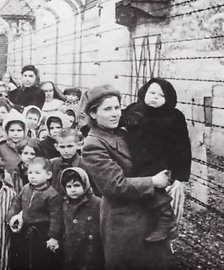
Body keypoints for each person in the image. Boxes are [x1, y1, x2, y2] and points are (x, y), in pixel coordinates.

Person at [81, 84, 173, 270]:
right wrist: (153, 181)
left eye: (117, 107)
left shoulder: (122, 132)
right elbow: (114, 185)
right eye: (107, 109)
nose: (115, 113)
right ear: (93, 114)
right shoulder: (94, 144)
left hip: (148, 212)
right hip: (124, 220)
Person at [120, 78, 191, 242]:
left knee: (154, 188)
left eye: (161, 95)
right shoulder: (135, 109)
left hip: (159, 161)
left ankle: (166, 221)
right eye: (152, 92)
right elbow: (118, 121)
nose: (155, 97)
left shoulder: (174, 117)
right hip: (134, 158)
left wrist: (180, 176)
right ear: (144, 92)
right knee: (136, 191)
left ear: (169, 99)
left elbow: (182, 147)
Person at [6, 157, 62, 270]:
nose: (32, 176)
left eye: (37, 173)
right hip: (24, 230)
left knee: (39, 261)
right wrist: (10, 217)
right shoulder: (26, 188)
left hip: (41, 233)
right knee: (22, 260)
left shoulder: (52, 194)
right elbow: (17, 202)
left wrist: (53, 237)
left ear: (48, 175)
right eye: (30, 172)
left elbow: (56, 217)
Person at [60, 167, 104, 270]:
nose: (73, 190)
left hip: (92, 251)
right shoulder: (64, 204)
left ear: (85, 185)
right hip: (71, 251)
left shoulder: (97, 203)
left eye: (77, 185)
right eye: (69, 186)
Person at [50, 129, 83, 196]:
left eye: (70, 146)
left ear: (79, 145)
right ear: (56, 147)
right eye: (62, 147)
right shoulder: (52, 164)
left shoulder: (86, 164)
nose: (66, 151)